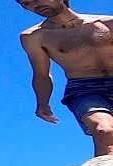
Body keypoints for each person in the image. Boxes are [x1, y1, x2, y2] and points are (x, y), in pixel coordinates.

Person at [18, 0, 113, 156]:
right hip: (84, 89)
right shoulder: (34, 36)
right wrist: (42, 104)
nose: (34, 5)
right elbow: (41, 74)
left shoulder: (108, 23)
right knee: (105, 131)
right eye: (26, 4)